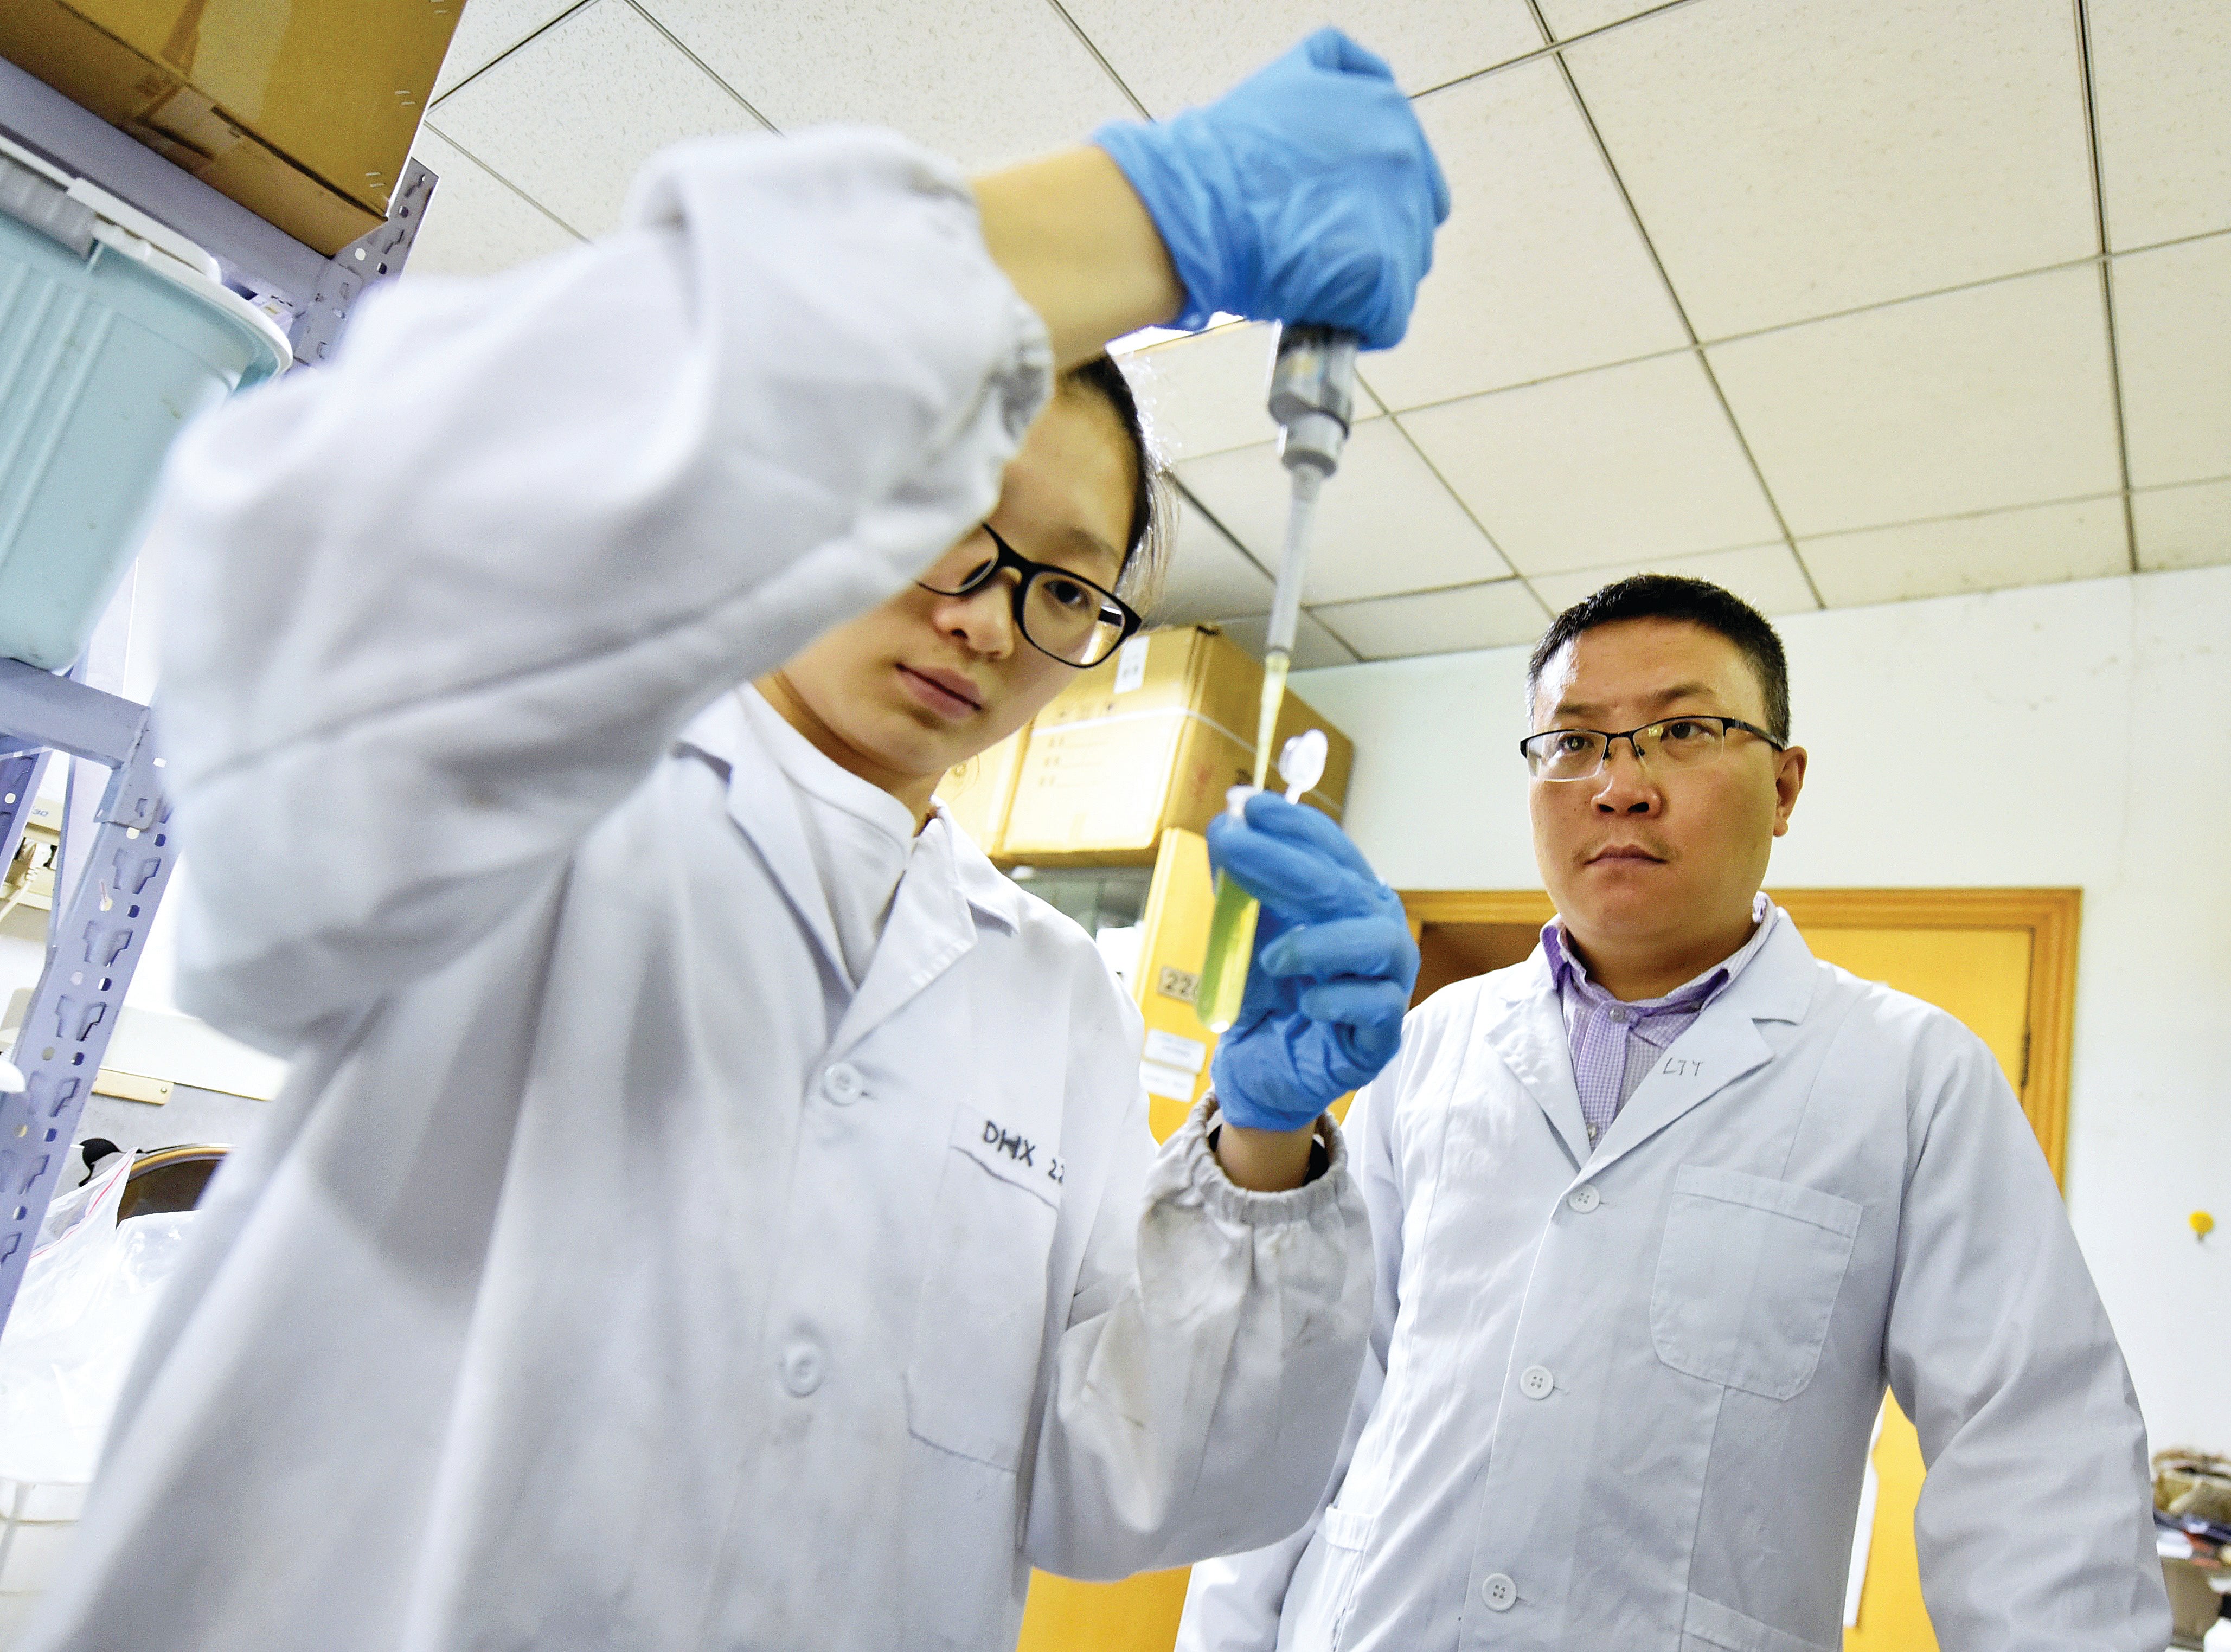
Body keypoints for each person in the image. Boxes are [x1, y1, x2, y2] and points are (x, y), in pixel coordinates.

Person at [23, 30, 1442, 1652]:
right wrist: (1134, 219)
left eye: (1060, 586)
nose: (983, 622)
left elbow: (1116, 1484)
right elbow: (336, 530)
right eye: (937, 519)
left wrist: (1265, 1152)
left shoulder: (1049, 999)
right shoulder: (535, 777)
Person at [1177, 575, 2172, 1652]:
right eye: (1570, 742)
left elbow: (2035, 1470)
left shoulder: (1913, 1079)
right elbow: (1308, 1404)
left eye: (1683, 729)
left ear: (1784, 787)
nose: (1617, 785)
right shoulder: (1426, 1048)